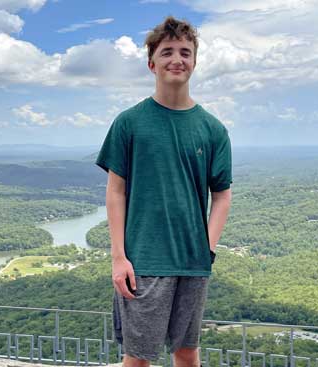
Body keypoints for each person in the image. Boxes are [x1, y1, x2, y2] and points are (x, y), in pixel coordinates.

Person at [95, 15, 233, 367]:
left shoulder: (212, 129)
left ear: (195, 61)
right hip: (143, 260)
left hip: (193, 262)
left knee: (187, 353)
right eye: (168, 51)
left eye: (185, 52)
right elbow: (116, 191)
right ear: (151, 63)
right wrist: (118, 257)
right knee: (138, 358)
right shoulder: (130, 122)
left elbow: (221, 194)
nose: (178, 59)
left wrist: (209, 248)